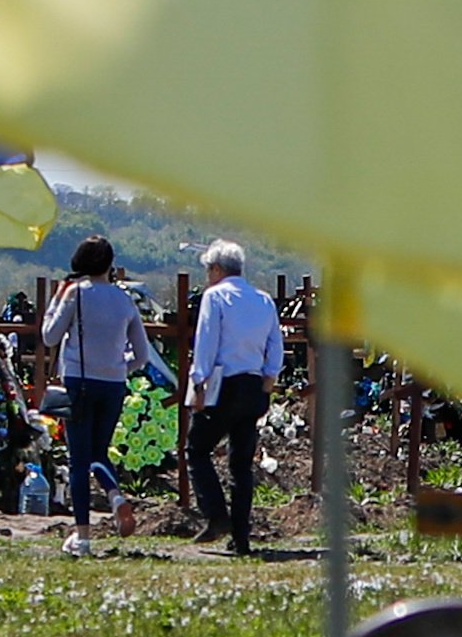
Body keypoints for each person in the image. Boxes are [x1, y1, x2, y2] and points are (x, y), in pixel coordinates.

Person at [36, 237, 167, 556]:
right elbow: (141, 354)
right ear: (109, 265)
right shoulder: (125, 300)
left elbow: (50, 335)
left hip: (79, 380)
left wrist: (56, 301)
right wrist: (119, 367)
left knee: (79, 459)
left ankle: (82, 535)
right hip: (113, 383)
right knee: (99, 452)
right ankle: (116, 497)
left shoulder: (75, 294)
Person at [180, 239, 284, 554]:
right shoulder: (264, 300)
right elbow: (275, 344)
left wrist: (198, 384)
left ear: (217, 269)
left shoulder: (216, 297)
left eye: (208, 270)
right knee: (241, 464)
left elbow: (206, 341)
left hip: (223, 384)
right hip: (254, 385)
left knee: (197, 450)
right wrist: (268, 380)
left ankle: (215, 515)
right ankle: (241, 537)